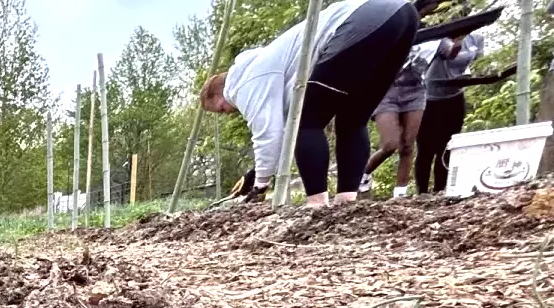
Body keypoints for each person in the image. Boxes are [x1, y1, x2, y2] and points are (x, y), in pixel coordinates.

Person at [202, 0, 420, 206]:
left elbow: (269, 135)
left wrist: (260, 186)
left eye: (221, 108)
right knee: (352, 120)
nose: (229, 112)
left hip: (362, 21)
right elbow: (277, 131)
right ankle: (346, 202)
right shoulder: (269, 62)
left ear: (219, 92)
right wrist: (257, 173)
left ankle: (316, 204)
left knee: (305, 122)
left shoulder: (242, 84)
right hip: (402, 15)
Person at [363, 0, 446, 197]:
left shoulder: (439, 34)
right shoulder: (398, 24)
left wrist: (459, 38)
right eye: (427, 9)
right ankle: (362, 174)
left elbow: (450, 52)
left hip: (415, 91)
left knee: (407, 146)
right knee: (390, 144)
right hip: (386, 91)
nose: (430, 13)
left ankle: (400, 192)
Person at [416, 32, 514, 193]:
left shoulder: (476, 39)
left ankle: (440, 190)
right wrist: (458, 39)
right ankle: (422, 192)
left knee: (447, 146)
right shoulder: (440, 39)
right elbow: (451, 53)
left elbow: (479, 64)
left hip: (455, 96)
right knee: (426, 148)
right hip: (430, 98)